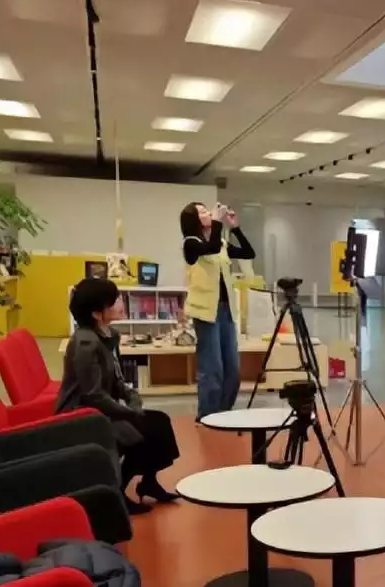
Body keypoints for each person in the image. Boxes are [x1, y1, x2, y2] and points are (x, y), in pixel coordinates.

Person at [58, 278, 180, 515]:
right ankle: (117, 493)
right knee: (141, 430)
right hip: (82, 414)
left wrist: (132, 397)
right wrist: (129, 412)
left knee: (160, 421)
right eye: (113, 301)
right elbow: (93, 395)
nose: (121, 303)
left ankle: (149, 482)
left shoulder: (107, 335)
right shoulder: (85, 343)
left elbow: (117, 379)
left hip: (101, 408)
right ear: (97, 313)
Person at [180, 203, 255, 420]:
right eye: (203, 212)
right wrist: (216, 222)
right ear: (194, 219)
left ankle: (224, 413)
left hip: (226, 310)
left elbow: (249, 252)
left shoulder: (220, 243)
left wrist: (235, 228)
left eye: (208, 211)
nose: (208, 214)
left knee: (233, 369)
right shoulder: (191, 243)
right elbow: (210, 248)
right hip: (205, 313)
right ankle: (208, 415)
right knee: (212, 369)